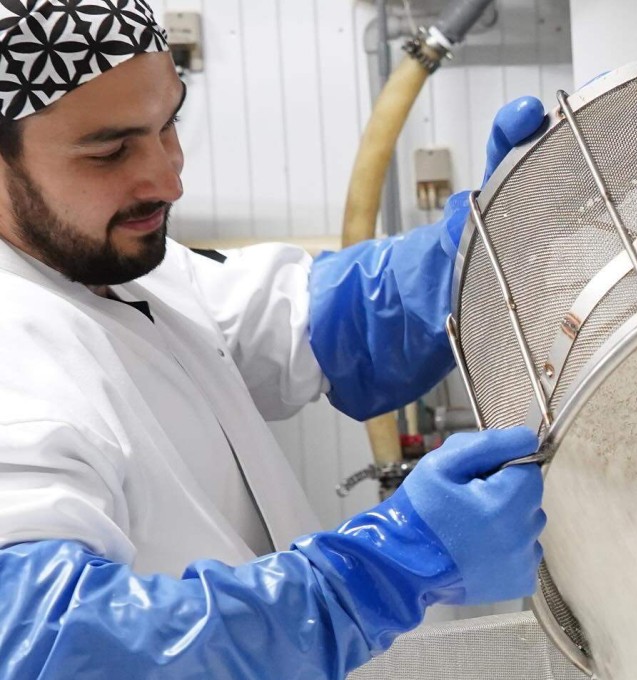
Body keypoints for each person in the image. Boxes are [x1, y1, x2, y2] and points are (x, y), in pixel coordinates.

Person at [0, 1, 548, 678]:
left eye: (168, 125)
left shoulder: (118, 267)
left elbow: (327, 321)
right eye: (111, 150)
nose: (170, 179)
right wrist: (376, 573)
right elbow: (57, 650)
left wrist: (477, 249)